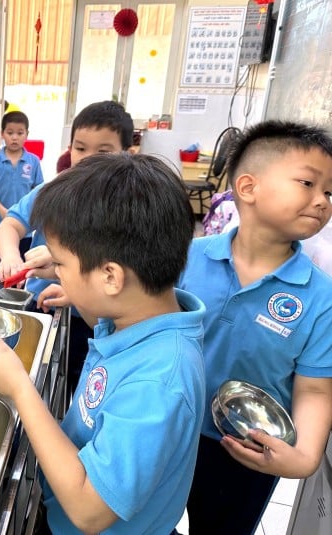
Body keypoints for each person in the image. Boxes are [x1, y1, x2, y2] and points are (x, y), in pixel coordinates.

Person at [0, 153, 206, 534]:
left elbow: (89, 510)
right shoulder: (139, 316)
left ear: (111, 277)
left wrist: (18, 386)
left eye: (62, 264)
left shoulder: (160, 381)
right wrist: (84, 293)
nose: (57, 272)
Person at [178, 120, 332, 534]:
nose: (322, 201)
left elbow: (315, 388)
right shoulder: (187, 257)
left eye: (329, 192)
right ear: (247, 188)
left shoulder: (321, 296)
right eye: (308, 183)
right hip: (170, 428)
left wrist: (305, 456)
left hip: (250, 451)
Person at [0, 100, 134, 396]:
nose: (88, 159)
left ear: (127, 154)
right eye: (80, 148)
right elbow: (11, 224)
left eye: (104, 151)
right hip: (43, 303)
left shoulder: (126, 207)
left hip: (96, 318)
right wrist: (10, 255)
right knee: (35, 376)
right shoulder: (54, 191)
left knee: (83, 385)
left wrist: (59, 261)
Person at [0, 111, 43, 270]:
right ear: (2, 134)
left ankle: (20, 295)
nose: (14, 137)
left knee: (24, 270)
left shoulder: (33, 161)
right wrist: (2, 211)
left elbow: (39, 190)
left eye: (20, 133)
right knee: (0, 269)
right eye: (10, 133)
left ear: (27, 134)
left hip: (26, 227)